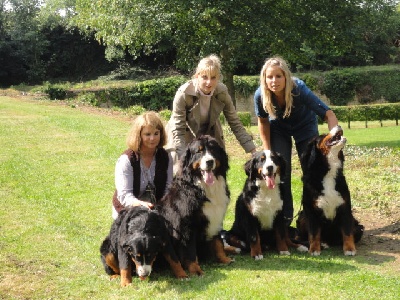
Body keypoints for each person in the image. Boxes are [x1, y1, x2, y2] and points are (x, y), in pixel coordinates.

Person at [254, 56, 339, 225]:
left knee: (312, 171)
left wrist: (334, 140)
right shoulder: (260, 95)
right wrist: (267, 150)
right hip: (278, 128)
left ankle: (315, 217)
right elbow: (263, 121)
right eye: (269, 77)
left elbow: (328, 114)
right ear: (264, 79)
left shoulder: (299, 89)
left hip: (305, 127)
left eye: (278, 76)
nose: (274, 81)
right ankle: (285, 221)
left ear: (286, 76)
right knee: (280, 172)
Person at [166, 54, 256, 173]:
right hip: (183, 134)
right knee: (180, 172)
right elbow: (178, 128)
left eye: (213, 77)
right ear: (197, 76)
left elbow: (235, 123)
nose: (209, 82)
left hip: (209, 133)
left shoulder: (222, 92)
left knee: (217, 170)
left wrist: (252, 150)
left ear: (218, 78)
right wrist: (183, 157)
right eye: (204, 77)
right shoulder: (183, 93)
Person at [112, 111, 173, 220]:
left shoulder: (166, 157)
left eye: (156, 133)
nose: (152, 138)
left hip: (156, 209)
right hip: (127, 210)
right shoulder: (126, 160)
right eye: (147, 134)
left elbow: (168, 188)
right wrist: (140, 205)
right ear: (139, 135)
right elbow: (124, 196)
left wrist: (161, 209)